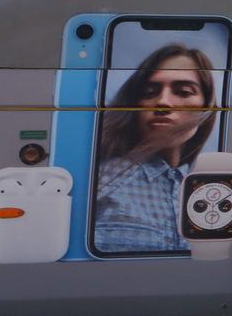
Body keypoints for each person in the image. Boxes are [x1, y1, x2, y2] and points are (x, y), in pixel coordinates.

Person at [93, 44, 220, 255]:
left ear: (206, 107)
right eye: (150, 92)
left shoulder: (208, 192)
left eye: (183, 92)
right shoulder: (101, 177)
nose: (162, 102)